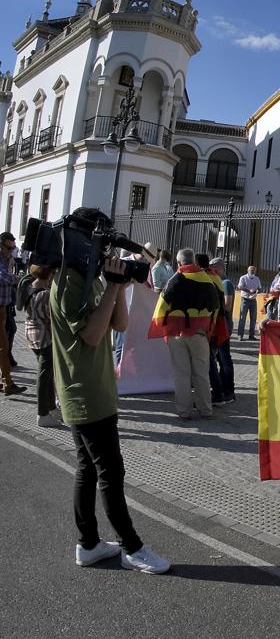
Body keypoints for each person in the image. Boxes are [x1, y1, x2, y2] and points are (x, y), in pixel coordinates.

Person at [53, 208, 171, 574]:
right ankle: (132, 546)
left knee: (88, 468)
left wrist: (117, 286)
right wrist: (112, 287)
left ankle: (88, 543)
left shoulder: (87, 278)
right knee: (110, 472)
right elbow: (90, 335)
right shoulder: (70, 282)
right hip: (85, 391)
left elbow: (117, 323)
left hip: (95, 387)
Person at [152, 248, 220, 420]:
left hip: (177, 335)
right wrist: (208, 330)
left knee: (181, 374)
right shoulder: (207, 279)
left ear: (179, 263)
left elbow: (160, 310)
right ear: (194, 262)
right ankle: (206, 409)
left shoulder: (174, 281)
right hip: (199, 335)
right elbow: (216, 308)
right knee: (202, 374)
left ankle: (184, 411)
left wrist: (163, 326)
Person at [23, 264, 57, 426]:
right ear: (49, 274)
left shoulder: (28, 288)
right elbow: (51, 318)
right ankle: (43, 414)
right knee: (45, 376)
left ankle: (51, 408)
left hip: (31, 334)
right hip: (45, 337)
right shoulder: (45, 294)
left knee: (47, 373)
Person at [207, 258, 235, 406]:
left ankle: (229, 391)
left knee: (224, 359)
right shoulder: (218, 282)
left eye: (212, 268)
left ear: (217, 268)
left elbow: (228, 306)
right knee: (219, 358)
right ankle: (223, 389)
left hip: (224, 326)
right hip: (218, 326)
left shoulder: (226, 283)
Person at [0, 232, 25, 395]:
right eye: (9, 248)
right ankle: (7, 383)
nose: (11, 251)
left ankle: (4, 382)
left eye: (13, 248)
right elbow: (2, 277)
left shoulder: (7, 259)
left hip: (4, 307)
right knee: (3, 347)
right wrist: (18, 279)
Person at [237, 265, 262, 339]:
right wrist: (249, 291)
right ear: (248, 271)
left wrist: (257, 291)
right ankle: (240, 335)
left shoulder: (257, 279)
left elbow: (259, 288)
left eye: (254, 272)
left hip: (253, 300)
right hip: (245, 299)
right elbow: (240, 287)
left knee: (253, 318)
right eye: (251, 272)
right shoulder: (243, 278)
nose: (253, 273)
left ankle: (251, 335)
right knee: (242, 318)